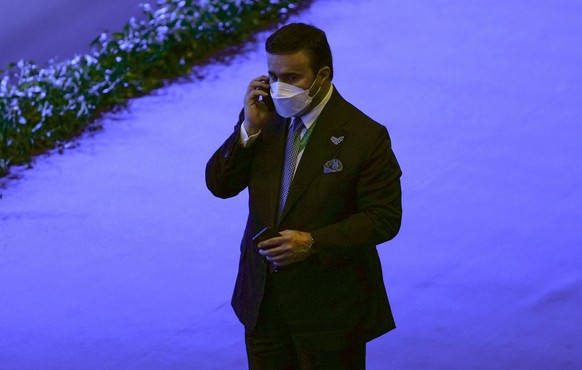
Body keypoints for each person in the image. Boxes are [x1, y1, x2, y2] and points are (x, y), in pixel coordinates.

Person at [206, 23, 402, 370]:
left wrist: (313, 242)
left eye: (292, 77)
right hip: (264, 304)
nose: (280, 88)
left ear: (323, 75)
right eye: (273, 75)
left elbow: (383, 218)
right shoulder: (264, 117)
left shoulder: (365, 136)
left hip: (330, 312)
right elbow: (221, 186)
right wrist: (248, 130)